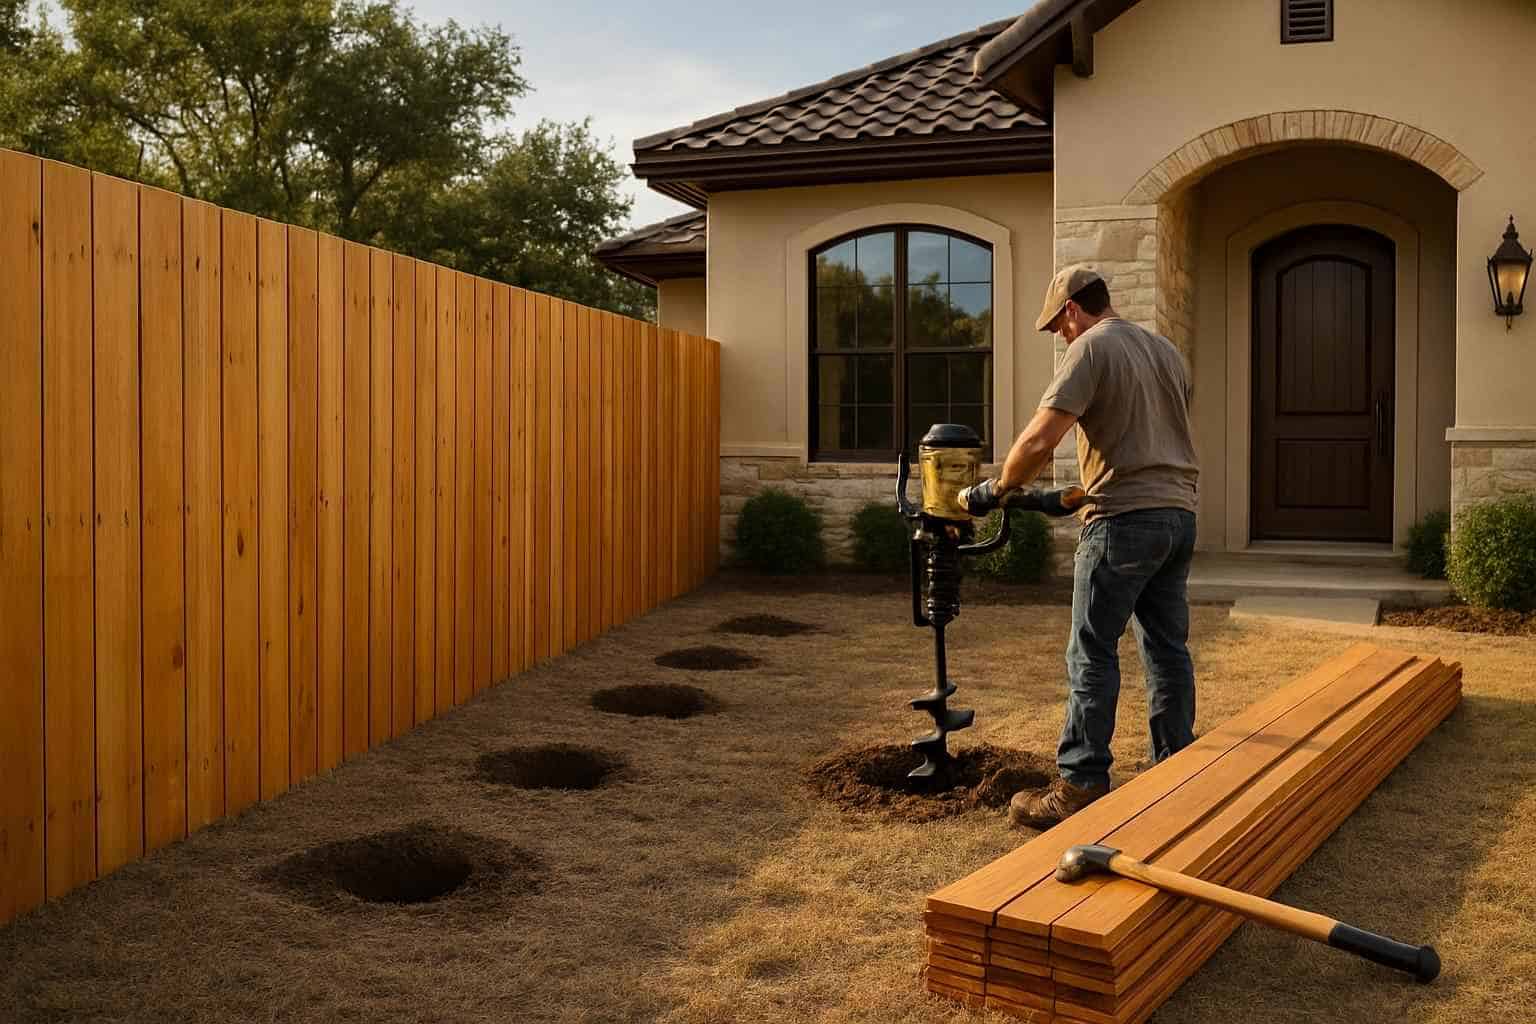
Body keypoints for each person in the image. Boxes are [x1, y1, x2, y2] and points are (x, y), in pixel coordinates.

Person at [958, 265, 1200, 829]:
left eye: (1057, 327)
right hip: (1178, 515)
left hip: (1122, 521)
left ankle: (1080, 782)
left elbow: (1041, 437)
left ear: (1072, 309)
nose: (1059, 338)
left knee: (1091, 652)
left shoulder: (1091, 347)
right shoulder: (1164, 351)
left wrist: (998, 488)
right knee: (1167, 648)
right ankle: (1178, 768)